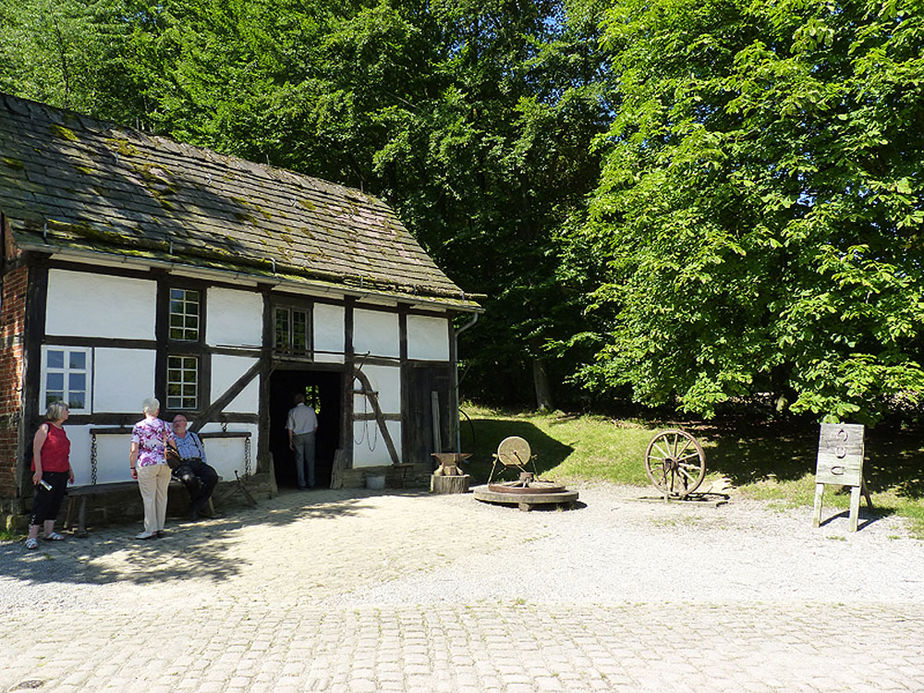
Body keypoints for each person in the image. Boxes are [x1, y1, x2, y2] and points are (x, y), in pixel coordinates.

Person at [25, 401, 74, 549]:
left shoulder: (62, 429)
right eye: (66, 410)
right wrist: (38, 471)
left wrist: (70, 470)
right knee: (42, 503)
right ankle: (32, 537)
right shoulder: (45, 428)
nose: (68, 412)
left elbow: (63, 453)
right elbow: (36, 451)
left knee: (55, 502)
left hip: (61, 472)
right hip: (47, 472)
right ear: (58, 412)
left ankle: (49, 532)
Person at [129, 397, 176, 540]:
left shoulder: (139, 426)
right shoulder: (166, 425)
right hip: (165, 463)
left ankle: (150, 530)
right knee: (162, 496)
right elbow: (173, 445)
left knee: (149, 497)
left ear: (144, 411)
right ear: (157, 410)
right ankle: (160, 527)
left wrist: (132, 466)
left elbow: (134, 449)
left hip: (147, 463)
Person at [171, 414, 219, 521]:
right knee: (190, 479)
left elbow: (201, 451)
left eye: (180, 421)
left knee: (212, 476)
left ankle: (195, 506)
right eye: (175, 422)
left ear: (185, 423)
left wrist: (203, 464)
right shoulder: (171, 438)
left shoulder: (193, 436)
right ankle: (196, 508)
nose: (177, 424)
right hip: (182, 465)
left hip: (197, 462)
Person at [286, 392, 318, 489]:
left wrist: (290, 441)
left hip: (297, 436)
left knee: (299, 460)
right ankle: (311, 483)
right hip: (309, 436)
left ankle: (302, 484)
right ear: (304, 400)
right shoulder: (311, 410)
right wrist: (311, 435)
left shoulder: (292, 411)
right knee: (310, 460)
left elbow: (290, 428)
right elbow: (315, 426)